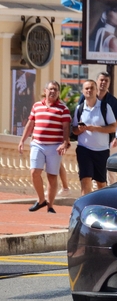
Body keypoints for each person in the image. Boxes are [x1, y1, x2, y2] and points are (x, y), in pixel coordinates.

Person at [18, 81, 71, 213]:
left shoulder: (63, 109)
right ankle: (41, 200)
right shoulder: (36, 106)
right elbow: (30, 124)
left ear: (58, 93)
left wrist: (65, 142)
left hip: (55, 147)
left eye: (55, 90)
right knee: (34, 172)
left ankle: (50, 205)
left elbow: (66, 128)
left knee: (52, 176)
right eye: (51, 89)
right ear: (45, 90)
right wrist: (22, 140)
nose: (53, 92)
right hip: (38, 144)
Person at [72, 80, 117, 196]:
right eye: (86, 88)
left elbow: (113, 127)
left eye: (92, 88)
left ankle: (102, 208)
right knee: (85, 180)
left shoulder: (105, 107)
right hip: (84, 150)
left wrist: (95, 128)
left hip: (101, 151)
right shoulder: (79, 109)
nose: (89, 91)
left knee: (101, 183)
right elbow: (74, 130)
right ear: (83, 91)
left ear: (96, 91)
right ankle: (85, 209)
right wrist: (80, 130)